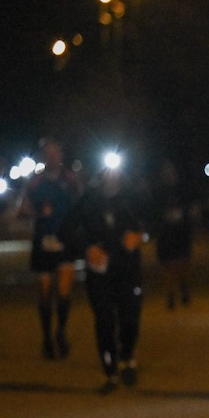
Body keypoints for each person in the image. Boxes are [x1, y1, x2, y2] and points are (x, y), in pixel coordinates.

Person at [59, 156, 147, 393]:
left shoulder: (133, 197)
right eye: (106, 170)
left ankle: (127, 357)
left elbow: (154, 223)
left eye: (115, 169)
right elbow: (66, 230)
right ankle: (110, 372)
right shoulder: (88, 199)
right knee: (105, 321)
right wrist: (87, 249)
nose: (111, 175)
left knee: (130, 319)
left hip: (128, 269)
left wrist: (140, 237)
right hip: (100, 272)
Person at [19, 139, 82, 358]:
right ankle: (46, 337)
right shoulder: (35, 183)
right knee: (45, 293)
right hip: (43, 241)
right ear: (43, 156)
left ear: (61, 155)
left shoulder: (70, 180)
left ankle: (61, 333)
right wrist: (38, 214)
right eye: (48, 153)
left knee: (64, 292)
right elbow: (23, 210)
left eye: (56, 153)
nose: (52, 157)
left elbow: (81, 206)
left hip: (65, 241)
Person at [149, 159, 199, 310]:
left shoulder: (183, 190)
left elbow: (193, 208)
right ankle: (170, 295)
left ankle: (183, 286)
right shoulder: (158, 192)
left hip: (181, 232)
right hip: (166, 234)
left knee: (182, 264)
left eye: (171, 172)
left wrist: (189, 216)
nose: (169, 175)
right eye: (166, 172)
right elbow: (153, 211)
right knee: (167, 266)